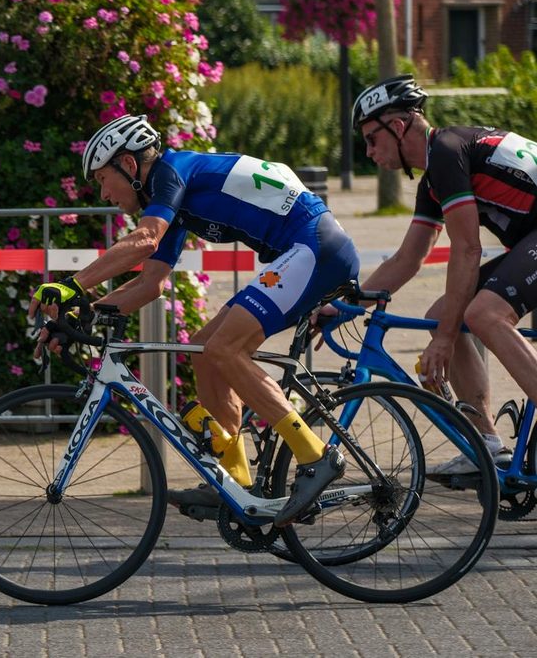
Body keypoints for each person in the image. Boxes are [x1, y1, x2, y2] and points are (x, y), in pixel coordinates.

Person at [32, 114, 360, 526]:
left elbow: (144, 241)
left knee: (225, 348)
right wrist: (85, 315)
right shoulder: (176, 199)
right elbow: (150, 283)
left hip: (314, 246)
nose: (102, 191)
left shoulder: (172, 171)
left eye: (102, 178)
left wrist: (71, 286)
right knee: (205, 353)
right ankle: (235, 477)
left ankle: (315, 455)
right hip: (301, 251)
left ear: (129, 165)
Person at [348, 74, 537, 473]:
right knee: (441, 314)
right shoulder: (437, 171)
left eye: (371, 139)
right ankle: (486, 444)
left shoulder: (448, 154)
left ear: (397, 127)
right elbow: (408, 259)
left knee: (483, 314)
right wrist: (345, 303)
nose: (368, 152)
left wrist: (446, 340)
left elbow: (467, 250)